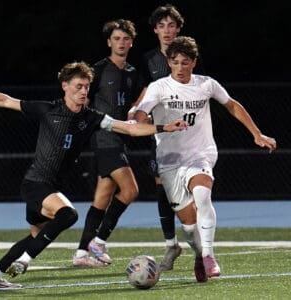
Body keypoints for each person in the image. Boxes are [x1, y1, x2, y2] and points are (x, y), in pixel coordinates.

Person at [0, 61, 187, 289]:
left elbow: (129, 128)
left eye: (87, 86)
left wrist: (164, 127)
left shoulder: (92, 118)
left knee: (37, 236)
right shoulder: (48, 110)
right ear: (64, 86)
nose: (84, 91)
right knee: (68, 215)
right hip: (36, 184)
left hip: (50, 188)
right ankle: (25, 261)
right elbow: (5, 100)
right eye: (78, 86)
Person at [134, 36, 277, 280]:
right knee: (189, 225)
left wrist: (256, 133)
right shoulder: (159, 87)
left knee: (202, 193)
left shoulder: (206, 84)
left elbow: (232, 104)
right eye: (175, 62)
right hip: (169, 160)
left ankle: (210, 256)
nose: (180, 67)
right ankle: (199, 254)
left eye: (185, 62)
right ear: (169, 62)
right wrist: (143, 119)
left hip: (200, 153)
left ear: (194, 62)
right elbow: (140, 113)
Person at [132, 4, 205, 281]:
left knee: (193, 191)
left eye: (171, 25)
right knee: (162, 185)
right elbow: (145, 91)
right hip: (160, 132)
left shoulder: (188, 55)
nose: (166, 30)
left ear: (178, 29)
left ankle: (201, 247)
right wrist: (134, 112)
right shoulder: (150, 59)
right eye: (161, 25)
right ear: (155, 30)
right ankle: (171, 245)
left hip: (189, 133)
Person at [73, 19, 145, 267]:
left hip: (121, 138)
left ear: (131, 42)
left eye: (125, 39)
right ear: (108, 42)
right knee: (131, 190)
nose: (121, 43)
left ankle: (81, 253)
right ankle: (99, 240)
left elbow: (138, 100)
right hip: (104, 138)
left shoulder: (133, 73)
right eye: (116, 39)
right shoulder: (99, 70)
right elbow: (81, 100)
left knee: (102, 197)